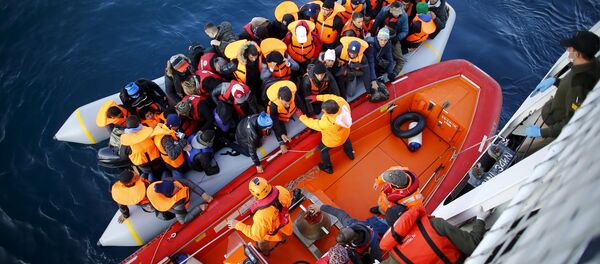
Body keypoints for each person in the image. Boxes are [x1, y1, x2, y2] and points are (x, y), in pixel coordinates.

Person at [522, 31, 600, 155]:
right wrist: (556, 81)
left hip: (553, 124)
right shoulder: (593, 64)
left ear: (578, 54)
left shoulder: (579, 86)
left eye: (571, 47)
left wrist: (541, 133)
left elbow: (571, 122)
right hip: (552, 111)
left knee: (522, 152)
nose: (567, 50)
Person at [380, 205, 490, 263]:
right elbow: (472, 245)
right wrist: (480, 220)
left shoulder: (396, 255)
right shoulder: (435, 225)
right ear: (409, 214)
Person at [227, 177, 292, 255]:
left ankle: (266, 252)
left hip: (272, 233)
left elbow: (256, 236)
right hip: (286, 224)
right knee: (284, 235)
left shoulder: (261, 216)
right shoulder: (281, 190)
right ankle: (283, 240)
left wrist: (237, 224)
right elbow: (289, 202)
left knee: (261, 241)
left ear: (255, 194)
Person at [308, 203, 388, 263]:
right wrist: (320, 207)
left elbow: (377, 260)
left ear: (351, 241)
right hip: (373, 222)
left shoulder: (374, 246)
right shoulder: (349, 223)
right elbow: (339, 213)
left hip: (384, 229)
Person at [298, 94, 354, 174]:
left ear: (330, 114)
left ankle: (327, 167)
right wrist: (317, 98)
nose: (322, 111)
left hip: (332, 141)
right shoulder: (343, 103)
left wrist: (301, 117)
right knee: (345, 140)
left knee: (323, 151)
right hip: (345, 133)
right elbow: (330, 97)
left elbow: (312, 124)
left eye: (324, 111)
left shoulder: (327, 123)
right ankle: (350, 153)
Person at [146, 177, 213, 225]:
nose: (177, 186)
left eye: (174, 184)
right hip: (167, 209)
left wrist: (203, 194)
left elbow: (187, 182)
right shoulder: (178, 203)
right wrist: (199, 208)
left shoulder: (170, 181)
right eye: (174, 188)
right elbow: (183, 221)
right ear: (171, 194)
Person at [120, 116, 164, 182]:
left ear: (127, 126)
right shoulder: (149, 132)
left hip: (144, 166)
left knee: (151, 176)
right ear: (139, 123)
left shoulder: (126, 144)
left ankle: (150, 183)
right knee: (161, 172)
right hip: (157, 162)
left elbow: (123, 157)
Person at [371, 2, 409, 76]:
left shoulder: (404, 16)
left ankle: (393, 73)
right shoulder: (384, 11)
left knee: (400, 59)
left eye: (399, 12)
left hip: (394, 37)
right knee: (376, 55)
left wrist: (397, 38)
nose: (397, 14)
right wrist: (372, 31)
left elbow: (405, 31)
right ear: (391, 11)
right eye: (396, 13)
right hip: (383, 35)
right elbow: (377, 20)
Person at [225, 40, 265, 105]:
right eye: (252, 57)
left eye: (256, 57)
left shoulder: (259, 53)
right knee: (251, 95)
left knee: (259, 91)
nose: (254, 59)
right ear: (246, 54)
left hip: (258, 79)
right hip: (247, 83)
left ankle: (260, 102)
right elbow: (226, 70)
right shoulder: (236, 62)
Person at [266, 80, 301, 154]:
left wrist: (307, 117)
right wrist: (281, 142)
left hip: (287, 115)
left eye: (290, 103)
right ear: (280, 99)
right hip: (279, 118)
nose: (288, 105)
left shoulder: (293, 95)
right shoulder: (273, 106)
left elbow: (301, 105)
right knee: (284, 134)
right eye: (286, 104)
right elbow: (274, 121)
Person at [152, 115, 190, 180]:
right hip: (174, 163)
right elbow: (172, 155)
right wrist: (182, 142)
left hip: (170, 160)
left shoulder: (162, 127)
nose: (178, 127)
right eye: (177, 126)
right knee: (179, 177)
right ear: (171, 126)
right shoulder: (166, 139)